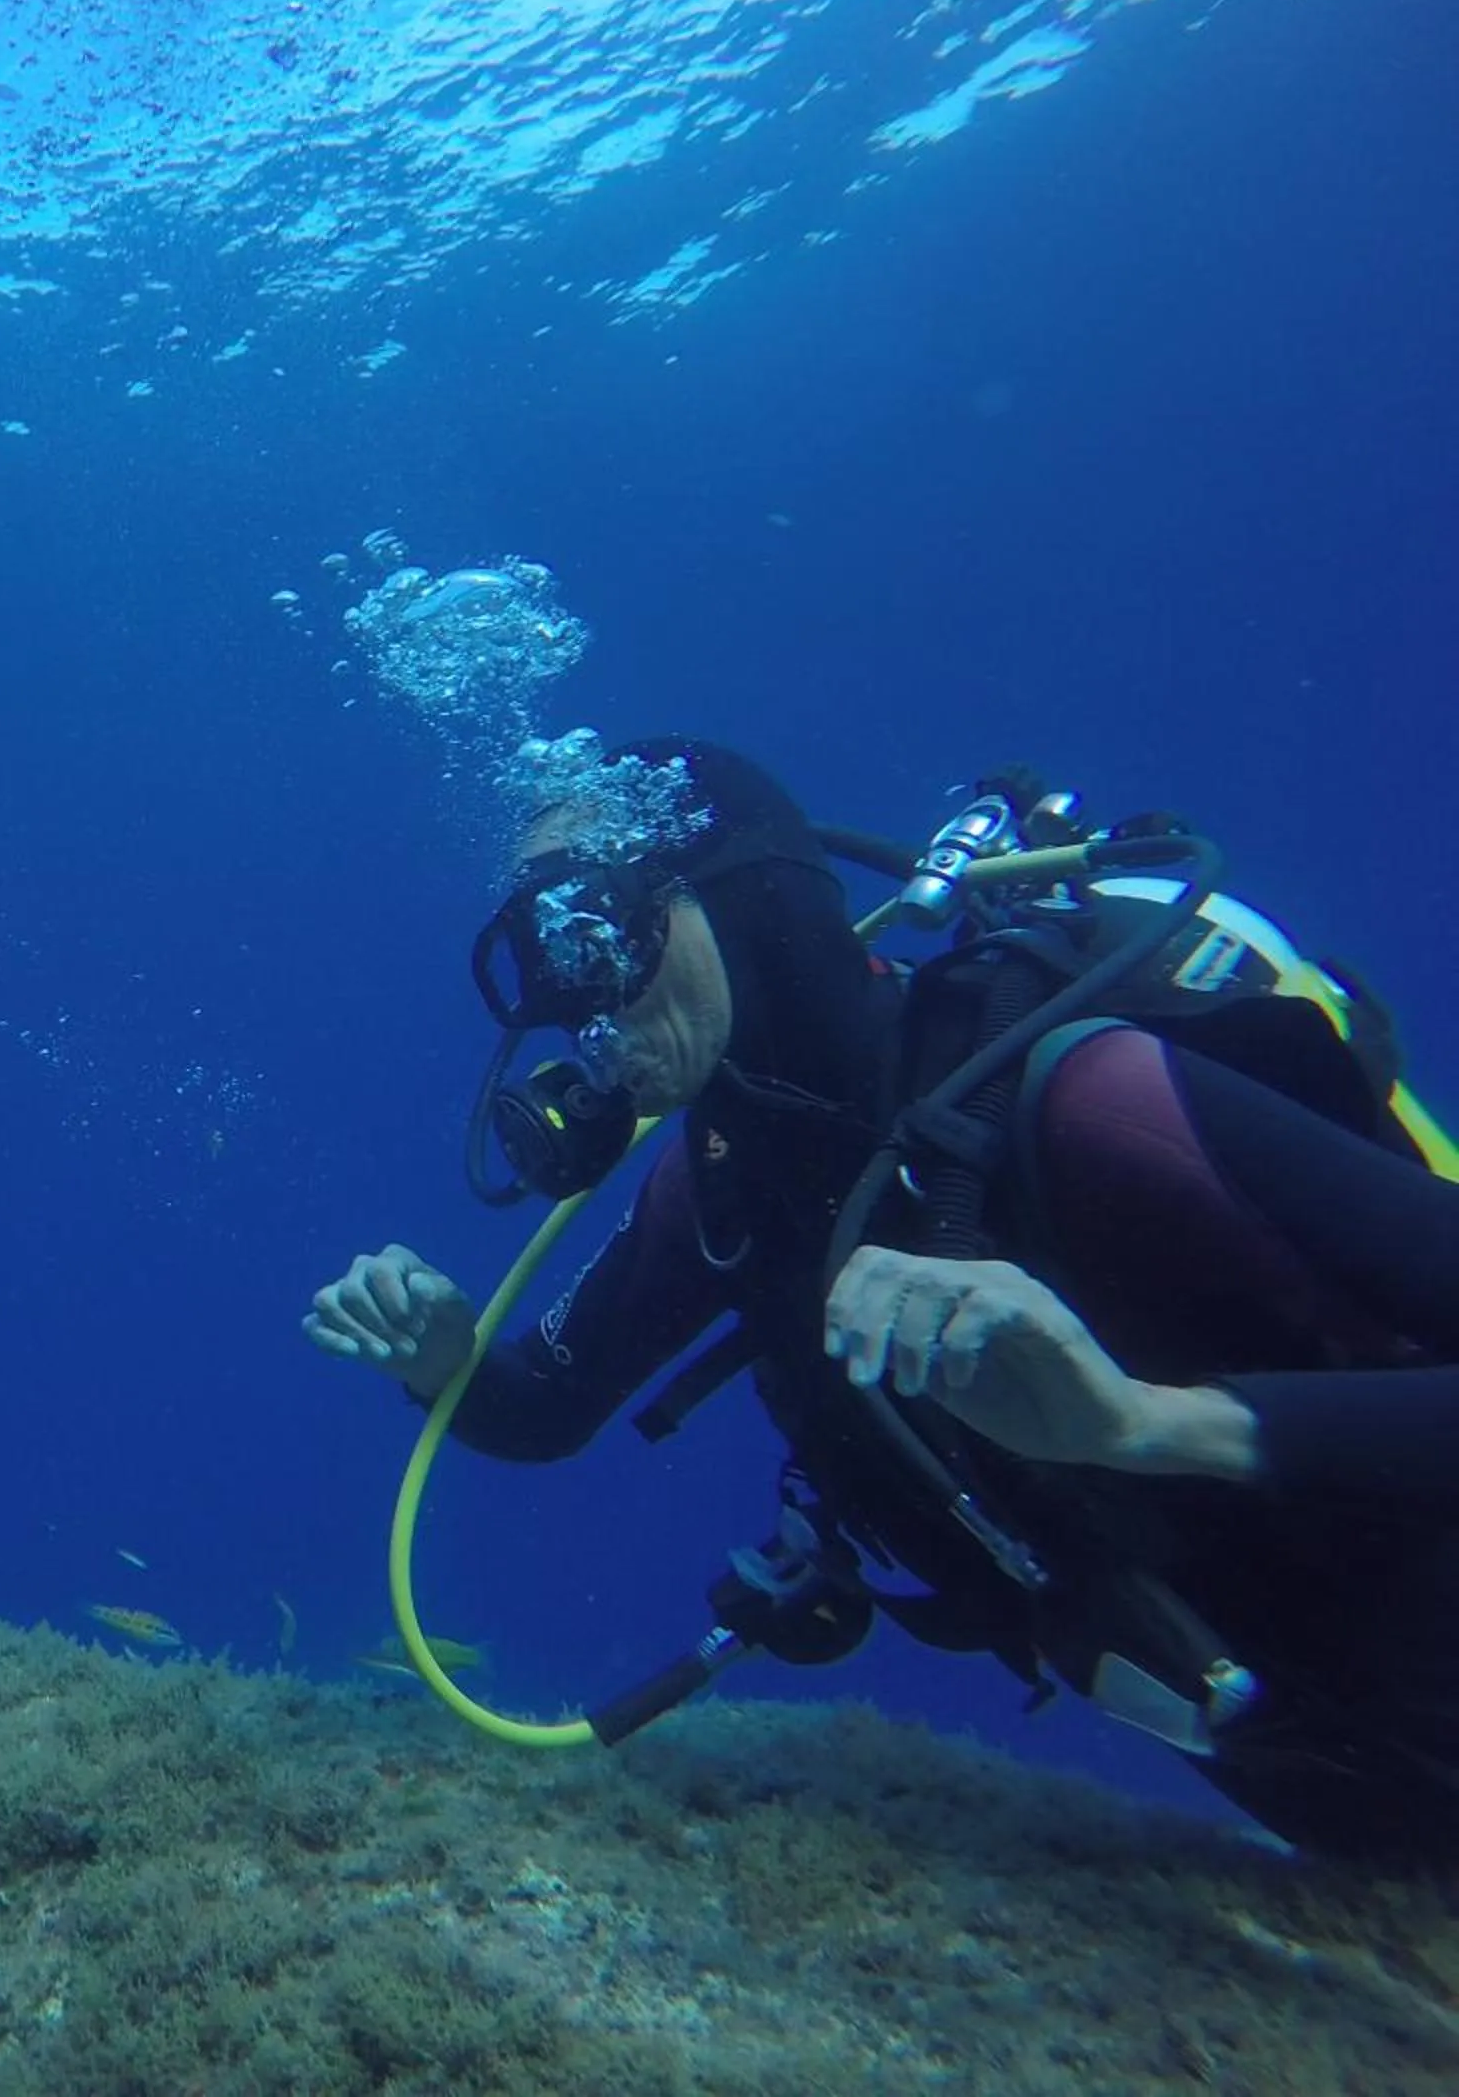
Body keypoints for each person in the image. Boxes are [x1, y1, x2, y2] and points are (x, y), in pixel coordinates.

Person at [305, 738, 1459, 1864]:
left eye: (607, 939)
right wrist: (441, 1355)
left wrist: (1148, 1426)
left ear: (748, 898)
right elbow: (542, 1411)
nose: (586, 1012)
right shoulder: (718, 1182)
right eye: (554, 964)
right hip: (1339, 1801)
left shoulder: (1084, 1098)